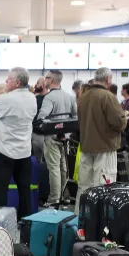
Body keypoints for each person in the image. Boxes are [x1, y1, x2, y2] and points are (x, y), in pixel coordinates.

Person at [0, 68, 38, 219]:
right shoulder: (32, 98)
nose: (6, 82)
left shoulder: (6, 99)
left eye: (9, 79)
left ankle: (1, 221)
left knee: (0, 189)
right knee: (24, 189)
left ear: (17, 82)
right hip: (24, 150)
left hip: (4, 150)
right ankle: (26, 221)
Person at [76, 67, 129, 213]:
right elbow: (118, 122)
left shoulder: (83, 96)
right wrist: (125, 119)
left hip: (87, 147)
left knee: (84, 186)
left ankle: (81, 218)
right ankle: (99, 221)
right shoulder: (107, 96)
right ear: (108, 79)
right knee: (103, 186)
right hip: (105, 147)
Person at [36, 70, 77, 207]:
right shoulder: (69, 97)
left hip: (51, 136)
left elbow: (42, 117)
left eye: (46, 77)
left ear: (51, 80)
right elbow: (75, 116)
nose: (44, 80)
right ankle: (64, 196)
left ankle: (54, 199)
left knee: (53, 168)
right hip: (65, 137)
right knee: (63, 167)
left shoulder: (49, 97)